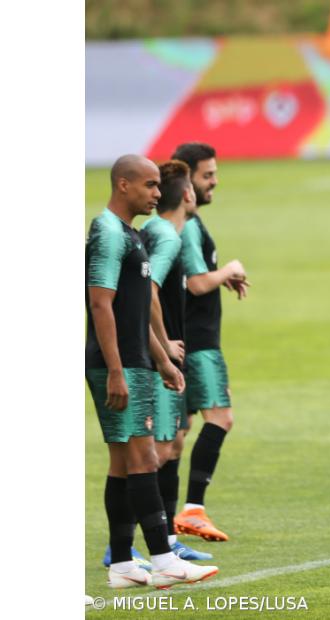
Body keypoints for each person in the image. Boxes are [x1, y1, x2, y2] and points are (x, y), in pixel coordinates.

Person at [87, 154, 218, 588]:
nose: (158, 194)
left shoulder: (131, 234)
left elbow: (135, 310)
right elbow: (101, 304)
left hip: (137, 361)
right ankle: (164, 559)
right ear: (123, 185)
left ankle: (123, 564)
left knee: (124, 464)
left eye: (159, 186)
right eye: (149, 185)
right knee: (144, 458)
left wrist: (162, 359)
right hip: (120, 364)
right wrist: (116, 370)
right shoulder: (108, 233)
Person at [172, 143, 249, 542]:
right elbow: (197, 283)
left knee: (174, 437)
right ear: (187, 181)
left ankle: (162, 531)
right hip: (198, 342)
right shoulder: (187, 227)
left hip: (182, 340)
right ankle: (193, 510)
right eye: (207, 175)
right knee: (220, 417)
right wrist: (228, 270)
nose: (214, 181)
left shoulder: (188, 223)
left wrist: (222, 277)